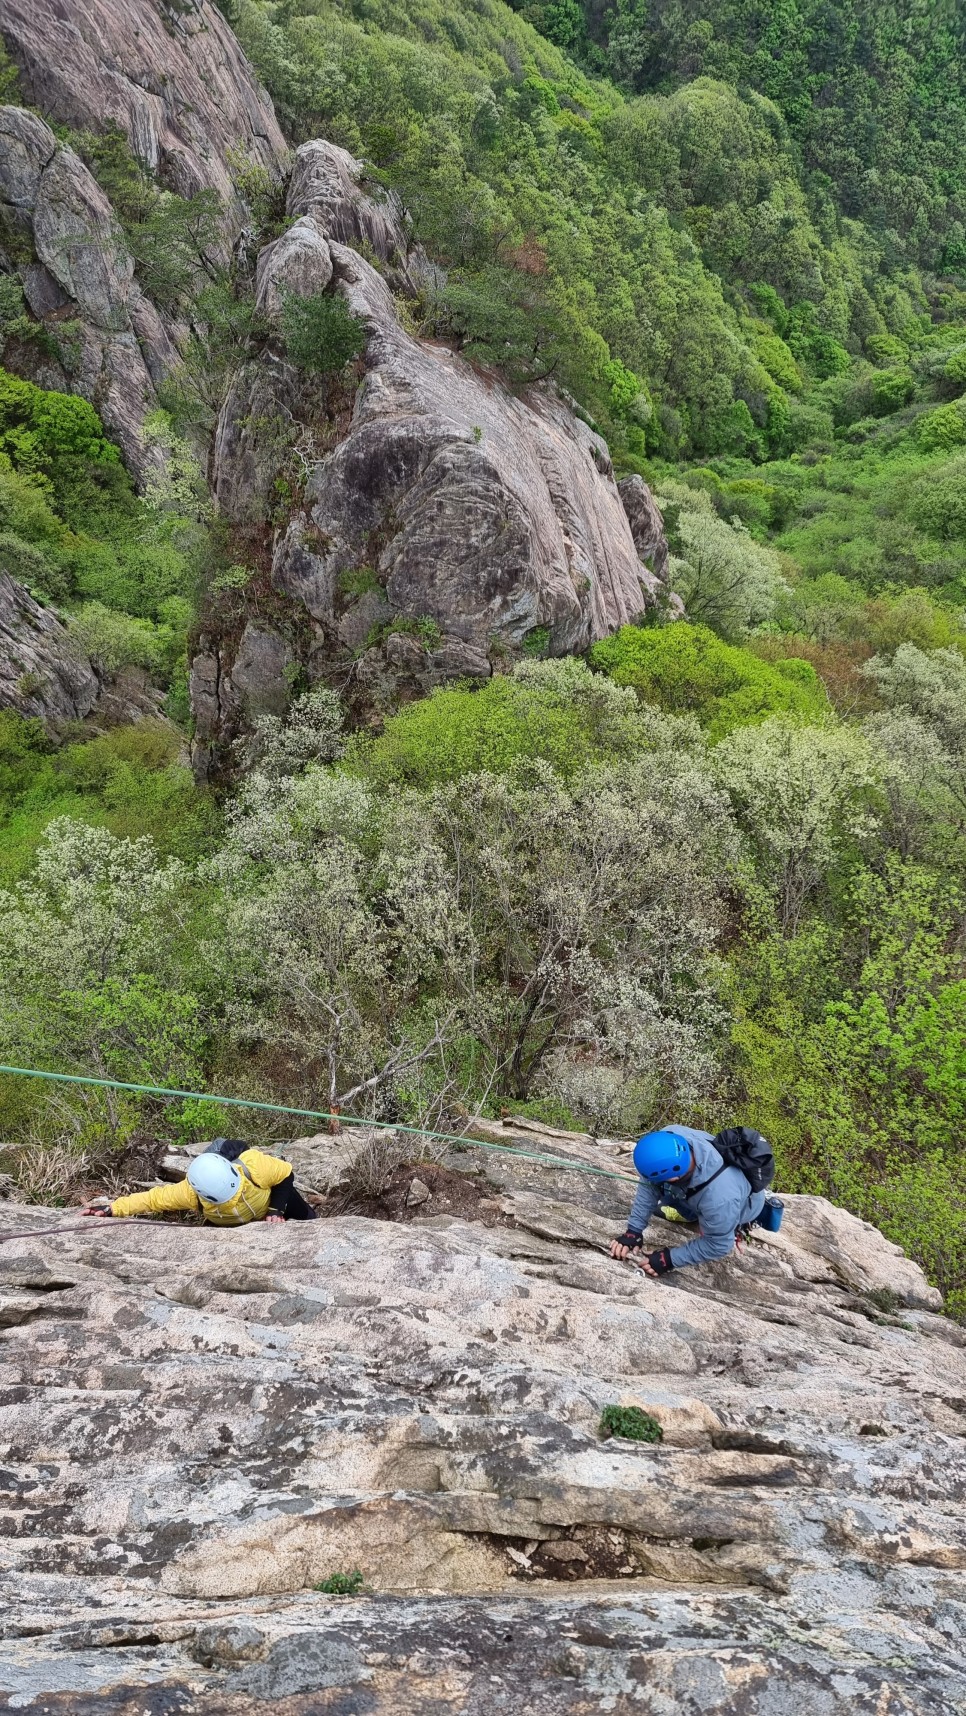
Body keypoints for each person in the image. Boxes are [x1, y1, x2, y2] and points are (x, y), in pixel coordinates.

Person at [611, 1125, 771, 1277]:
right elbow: (649, 1185)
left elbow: (719, 1245)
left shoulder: (719, 1199)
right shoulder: (671, 1135)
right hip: (704, 1190)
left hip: (737, 1205)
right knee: (673, 1196)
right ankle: (687, 1211)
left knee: (709, 1215)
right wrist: (634, 1231)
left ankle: (723, 1222)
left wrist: (668, 1259)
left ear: (673, 1177)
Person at [80, 1138, 318, 1226]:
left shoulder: (252, 1165)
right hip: (235, 1228)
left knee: (310, 1221)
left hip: (271, 1204)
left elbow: (285, 1174)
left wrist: (276, 1210)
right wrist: (113, 1208)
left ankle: (312, 1219)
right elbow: (153, 1199)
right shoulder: (190, 1191)